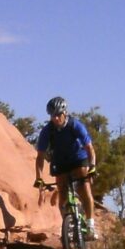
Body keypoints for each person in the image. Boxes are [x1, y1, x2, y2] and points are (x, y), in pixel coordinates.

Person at [34, 96, 98, 239]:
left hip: (78, 159)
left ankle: (90, 225)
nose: (55, 118)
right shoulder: (47, 131)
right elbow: (40, 157)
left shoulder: (75, 125)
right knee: (62, 195)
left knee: (84, 187)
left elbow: (90, 149)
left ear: (65, 113)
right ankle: (67, 226)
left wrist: (92, 166)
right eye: (52, 115)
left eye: (58, 115)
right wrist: (39, 178)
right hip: (60, 162)